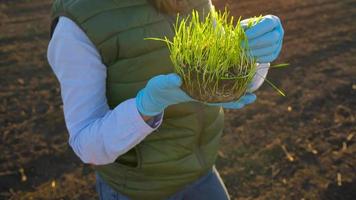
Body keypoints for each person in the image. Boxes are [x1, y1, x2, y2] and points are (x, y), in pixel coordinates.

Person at [47, 0, 284, 199]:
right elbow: (86, 145)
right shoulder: (77, 22)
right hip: (138, 189)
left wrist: (250, 53)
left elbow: (227, 78)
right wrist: (146, 107)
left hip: (203, 172)